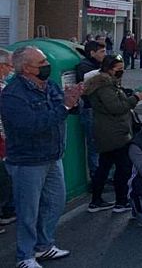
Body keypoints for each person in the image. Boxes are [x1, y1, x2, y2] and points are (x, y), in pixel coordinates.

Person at [1, 47, 83, 267]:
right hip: (27, 160)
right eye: (41, 62)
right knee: (28, 211)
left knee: (55, 203)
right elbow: (31, 125)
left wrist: (74, 100)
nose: (47, 65)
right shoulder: (13, 95)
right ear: (26, 68)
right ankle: (25, 256)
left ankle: (44, 246)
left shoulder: (49, 85)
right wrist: (65, 106)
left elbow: (64, 108)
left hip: (53, 156)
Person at [84, 55, 142, 213]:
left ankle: (96, 201)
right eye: (119, 69)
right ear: (109, 69)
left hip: (109, 131)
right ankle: (121, 201)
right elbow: (116, 107)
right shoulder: (105, 86)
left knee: (104, 167)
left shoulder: (106, 84)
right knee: (122, 168)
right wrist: (135, 98)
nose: (121, 71)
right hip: (115, 132)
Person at [75, 40, 105, 178]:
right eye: (102, 52)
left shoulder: (98, 65)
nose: (104, 54)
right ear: (92, 53)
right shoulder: (84, 67)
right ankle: (96, 175)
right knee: (94, 144)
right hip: (90, 109)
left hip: (98, 109)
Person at [0, 50, 16, 232]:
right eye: (10, 66)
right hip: (3, 140)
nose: (11, 70)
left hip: (5, 139)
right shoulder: (3, 90)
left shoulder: (4, 86)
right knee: (4, 178)